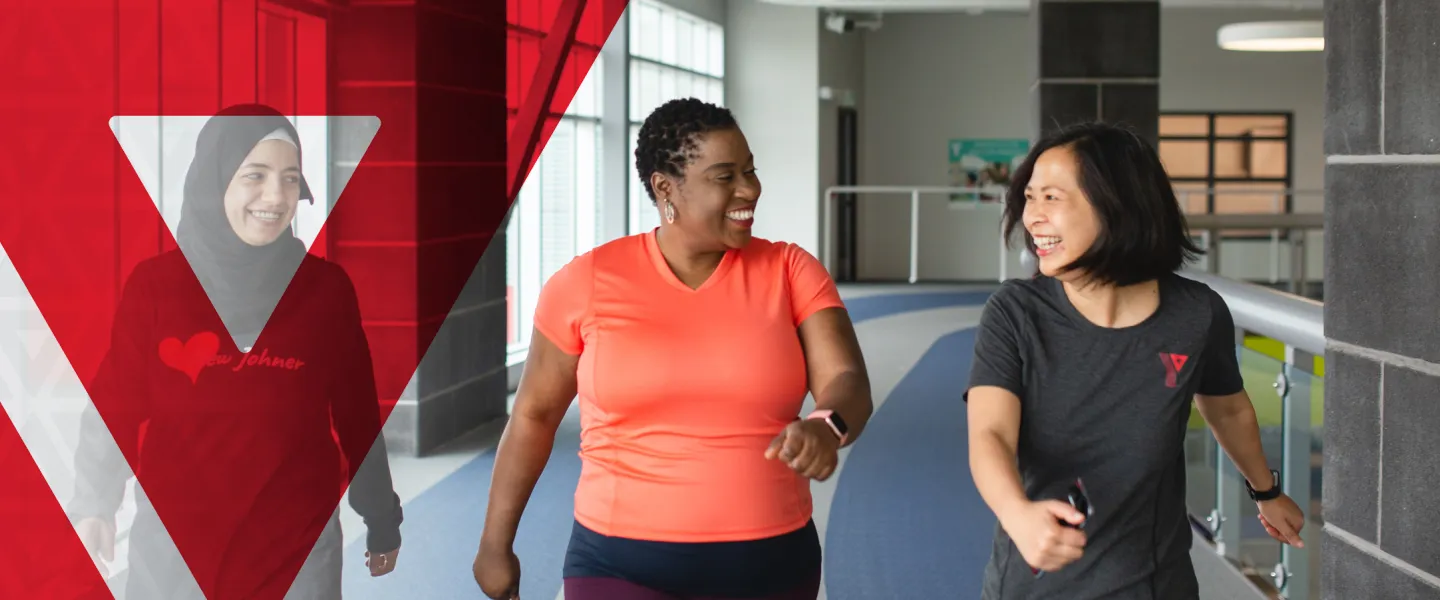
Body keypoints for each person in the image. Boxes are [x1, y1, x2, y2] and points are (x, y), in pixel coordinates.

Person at [473, 97, 873, 600]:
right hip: (616, 564)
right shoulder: (586, 283)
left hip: (770, 563)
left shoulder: (791, 271)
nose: (749, 188)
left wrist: (826, 425)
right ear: (666, 188)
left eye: (750, 170)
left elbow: (847, 381)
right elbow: (533, 414)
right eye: (725, 176)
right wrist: (495, 542)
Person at [68, 104, 403, 600]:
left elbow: (356, 414)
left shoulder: (325, 290)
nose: (276, 196)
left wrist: (381, 515)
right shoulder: (156, 288)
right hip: (175, 553)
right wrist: (94, 502)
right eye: (255, 175)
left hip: (296, 549)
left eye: (291, 179)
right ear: (215, 179)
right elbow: (114, 405)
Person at [965, 122, 1307, 600]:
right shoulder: (1016, 312)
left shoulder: (1196, 313)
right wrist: (1016, 512)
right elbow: (990, 432)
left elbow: (1227, 407)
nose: (1033, 217)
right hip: (1035, 582)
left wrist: (1265, 492)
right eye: (1029, 197)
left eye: (1053, 198)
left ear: (1117, 205)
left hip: (1154, 582)